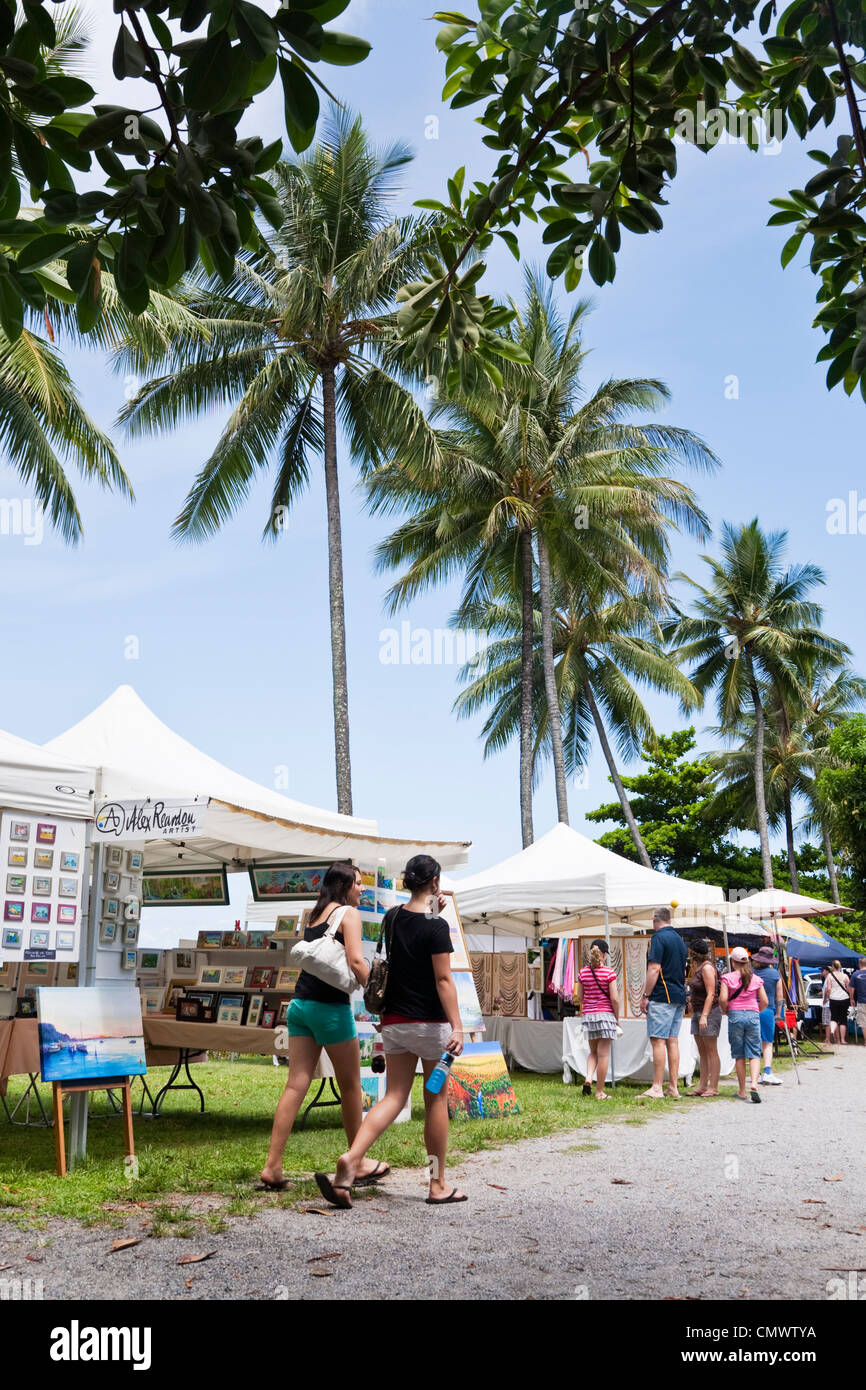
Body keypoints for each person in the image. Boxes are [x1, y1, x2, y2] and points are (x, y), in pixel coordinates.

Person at [314, 854, 466, 1209]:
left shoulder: (392, 917)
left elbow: (415, 927)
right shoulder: (437, 928)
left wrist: (433, 909)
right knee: (436, 1100)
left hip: (395, 1022)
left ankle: (352, 1159)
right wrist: (457, 1025)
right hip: (430, 1026)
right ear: (434, 883)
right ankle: (437, 1183)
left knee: (394, 1096)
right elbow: (443, 979)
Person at [259, 862, 386, 1191]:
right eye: (358, 883)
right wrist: (379, 1000)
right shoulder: (348, 914)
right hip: (330, 1009)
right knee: (351, 1086)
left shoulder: (314, 914)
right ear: (345, 886)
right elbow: (357, 961)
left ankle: (272, 1167)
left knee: (295, 1085)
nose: (362, 889)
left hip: (300, 1006)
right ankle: (357, 1162)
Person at [638, 907, 688, 1100]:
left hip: (662, 995)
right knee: (672, 1041)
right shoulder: (679, 939)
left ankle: (657, 1087)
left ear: (654, 920)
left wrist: (645, 995)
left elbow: (654, 968)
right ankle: (673, 1087)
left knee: (658, 1040)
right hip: (678, 995)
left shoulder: (658, 938)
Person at [720, 947, 768, 1103]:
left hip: (735, 1015)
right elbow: (765, 1001)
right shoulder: (756, 979)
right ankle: (754, 1084)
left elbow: (722, 999)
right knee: (754, 1053)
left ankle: (741, 1090)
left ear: (733, 963)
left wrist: (726, 1010)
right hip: (753, 1014)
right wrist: (756, 1011)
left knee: (739, 1054)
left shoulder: (727, 978)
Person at [576, 940, 620, 1099]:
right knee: (603, 1055)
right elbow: (615, 999)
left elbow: (579, 997)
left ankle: (588, 1078)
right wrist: (617, 1018)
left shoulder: (582, 973)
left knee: (593, 1052)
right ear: (604, 955)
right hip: (606, 1015)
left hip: (589, 1016)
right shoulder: (609, 973)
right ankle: (599, 1092)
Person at [685, 939, 722, 1097]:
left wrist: (704, 1016)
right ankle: (702, 1085)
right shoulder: (698, 967)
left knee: (711, 1050)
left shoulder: (707, 968)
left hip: (709, 1012)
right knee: (703, 1051)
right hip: (698, 1012)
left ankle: (713, 1087)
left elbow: (711, 993)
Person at [750, 944, 784, 1085]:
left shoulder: (750, 973)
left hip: (751, 1009)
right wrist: (778, 1013)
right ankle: (768, 1072)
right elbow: (779, 996)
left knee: (753, 1042)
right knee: (767, 1043)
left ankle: (755, 1073)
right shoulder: (775, 975)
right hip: (767, 1010)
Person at [823, 959, 850, 1045]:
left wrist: (826, 998)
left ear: (833, 967)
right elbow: (848, 988)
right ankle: (842, 1040)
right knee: (843, 1019)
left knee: (834, 1018)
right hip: (844, 998)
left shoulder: (830, 976)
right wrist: (851, 997)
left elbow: (828, 989)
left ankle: (832, 1030)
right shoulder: (845, 976)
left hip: (833, 999)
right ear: (840, 966)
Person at [848, 957, 866, 1045]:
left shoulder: (855, 974)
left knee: (863, 1021)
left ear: (859, 964)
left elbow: (851, 988)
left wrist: (851, 999)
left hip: (862, 1001)